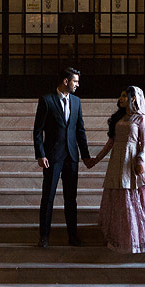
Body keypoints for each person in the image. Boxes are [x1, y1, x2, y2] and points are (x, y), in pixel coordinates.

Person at [86, 86, 145, 253]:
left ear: (133, 98)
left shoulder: (141, 119)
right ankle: (116, 237)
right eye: (120, 96)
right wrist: (96, 159)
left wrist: (141, 161)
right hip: (116, 160)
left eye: (124, 96)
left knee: (130, 196)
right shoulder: (119, 118)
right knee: (117, 196)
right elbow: (110, 143)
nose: (120, 98)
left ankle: (132, 239)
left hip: (131, 160)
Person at [32, 67, 91, 247]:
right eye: (75, 81)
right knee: (48, 197)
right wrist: (40, 155)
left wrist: (86, 156)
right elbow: (37, 131)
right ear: (66, 81)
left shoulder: (77, 102)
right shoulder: (47, 100)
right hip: (52, 157)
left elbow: (80, 131)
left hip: (71, 157)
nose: (77, 85)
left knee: (71, 199)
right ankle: (44, 237)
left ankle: (72, 236)